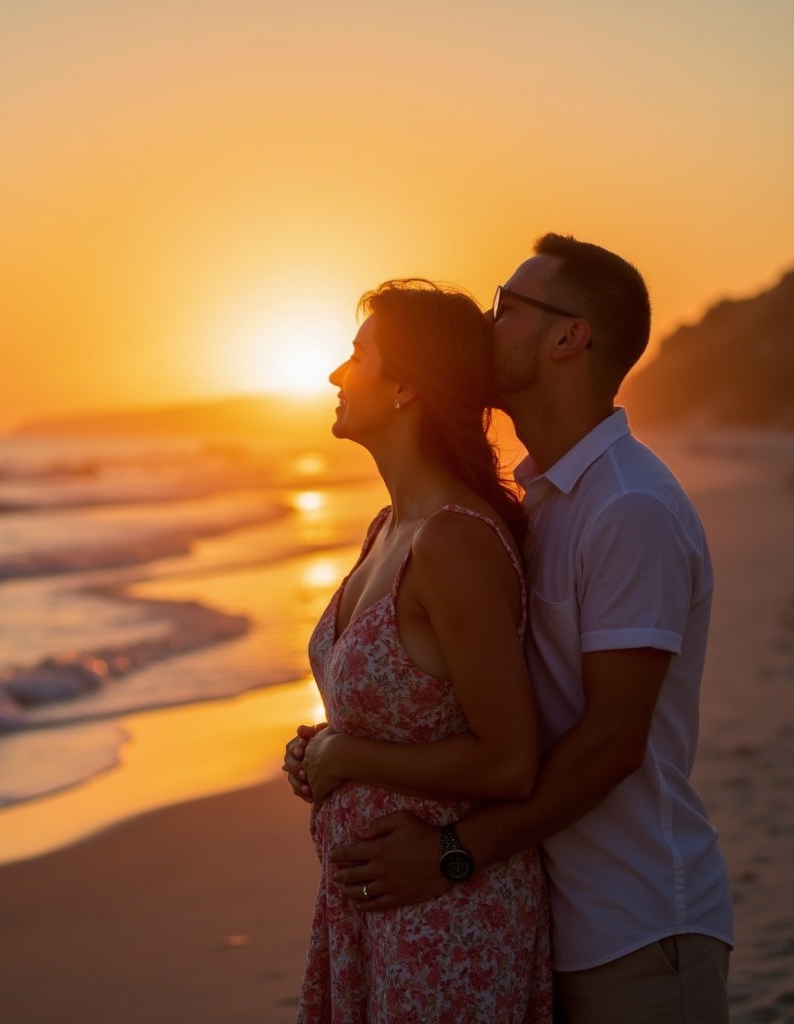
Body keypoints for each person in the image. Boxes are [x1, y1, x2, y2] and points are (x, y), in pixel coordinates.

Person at [286, 236, 734, 1023]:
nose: (485, 325)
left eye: (507, 307)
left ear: (568, 338)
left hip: (634, 926)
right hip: (540, 909)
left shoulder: (627, 508)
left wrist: (454, 853)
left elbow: (611, 742)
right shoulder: (539, 505)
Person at [290, 280, 552, 1022]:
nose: (337, 376)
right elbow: (404, 713)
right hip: (373, 909)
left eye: (357, 356)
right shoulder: (386, 529)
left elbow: (510, 761)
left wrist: (347, 758)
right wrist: (319, 750)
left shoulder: (453, 542)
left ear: (406, 386)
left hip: (448, 915)